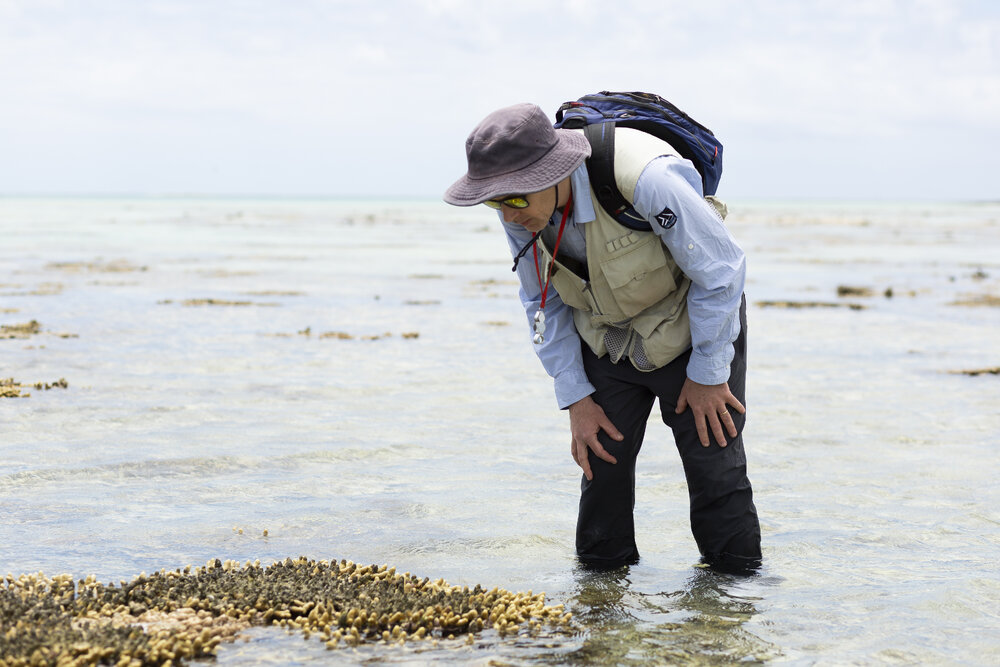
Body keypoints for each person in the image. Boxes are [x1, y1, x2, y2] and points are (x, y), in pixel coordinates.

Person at [443, 103, 761, 574]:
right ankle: (597, 601)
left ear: (551, 172)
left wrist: (710, 374)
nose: (506, 215)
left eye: (513, 200)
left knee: (716, 471)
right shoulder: (519, 211)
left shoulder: (649, 177)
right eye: (494, 202)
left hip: (694, 331)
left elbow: (722, 271)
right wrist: (575, 397)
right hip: (606, 338)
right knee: (600, 470)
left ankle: (733, 596)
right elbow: (541, 301)